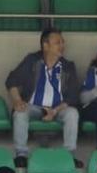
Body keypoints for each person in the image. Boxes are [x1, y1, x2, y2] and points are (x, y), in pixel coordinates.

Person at [5, 28, 80, 166]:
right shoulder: (32, 61)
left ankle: (69, 155)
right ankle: (21, 155)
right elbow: (12, 81)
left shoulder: (68, 66)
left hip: (58, 109)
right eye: (57, 43)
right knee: (20, 113)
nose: (62, 46)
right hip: (33, 106)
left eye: (62, 42)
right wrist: (17, 100)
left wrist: (55, 111)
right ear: (45, 45)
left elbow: (73, 96)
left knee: (72, 113)